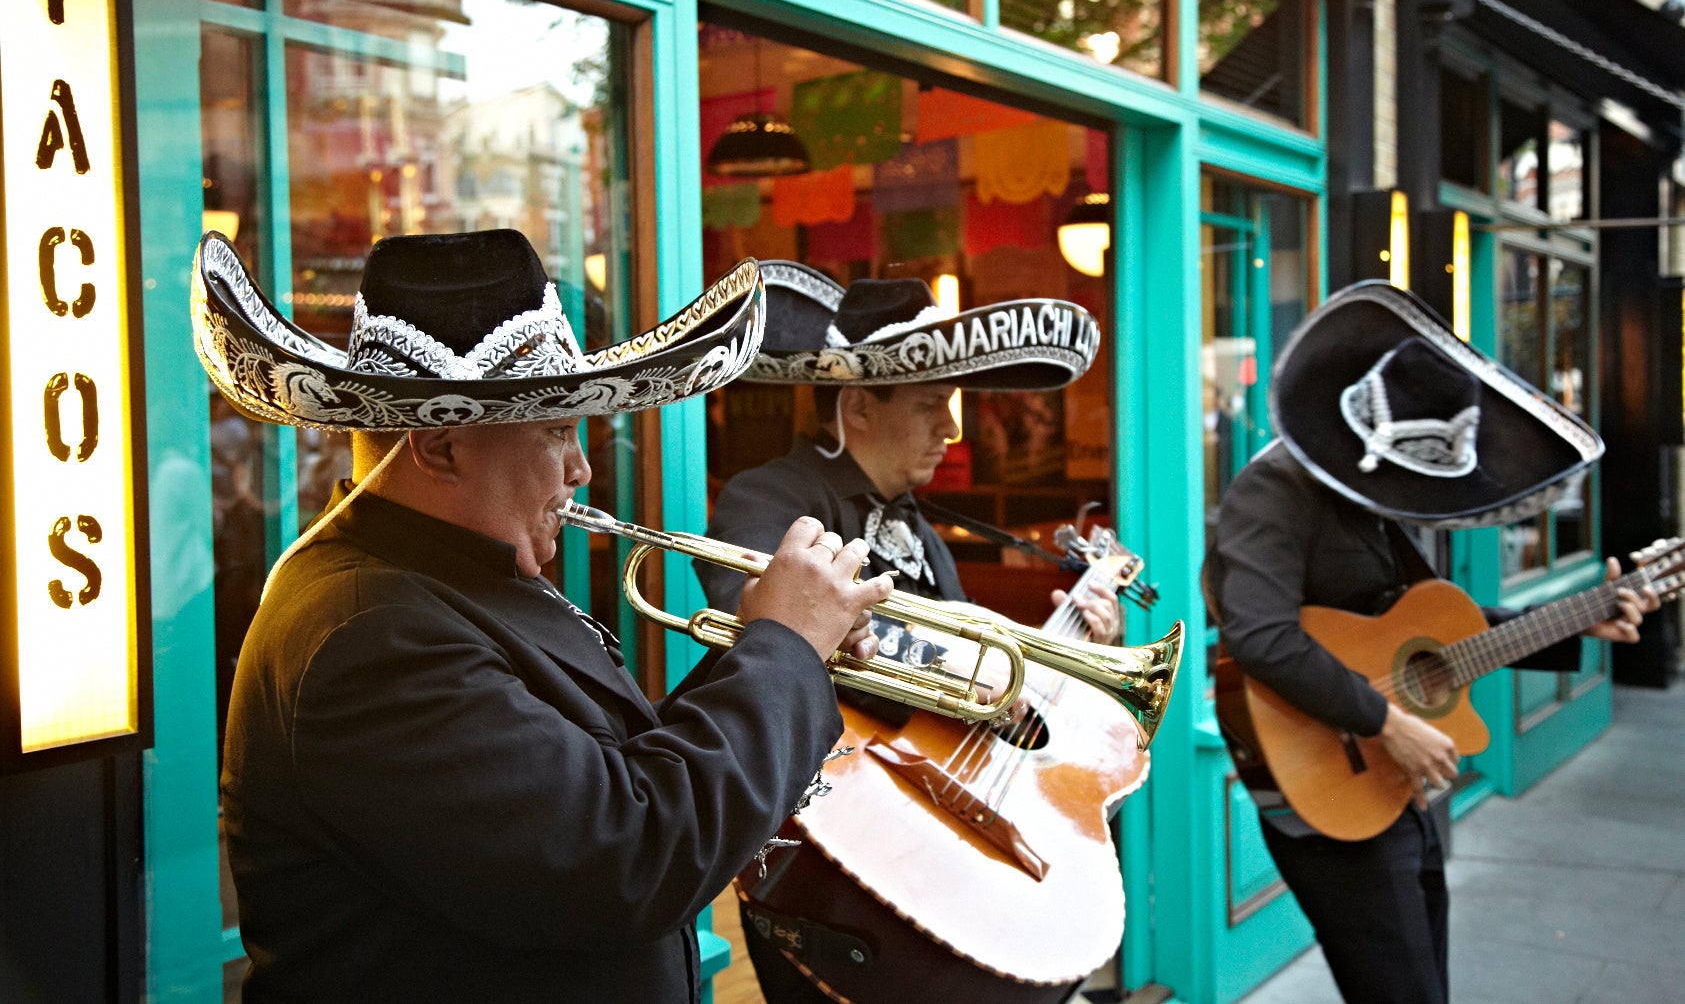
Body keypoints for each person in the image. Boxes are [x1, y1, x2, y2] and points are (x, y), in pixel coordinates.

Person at [193, 228, 895, 1003]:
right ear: (440, 445)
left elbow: (608, 774)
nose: (581, 467)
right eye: (557, 430)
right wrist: (783, 649)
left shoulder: (439, 576)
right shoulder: (369, 633)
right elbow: (627, 855)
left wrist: (781, 652)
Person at [1205, 281, 1658, 1004]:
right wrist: (1389, 722)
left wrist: (1581, 617)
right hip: (1326, 779)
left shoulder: (1376, 495)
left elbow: (1437, 629)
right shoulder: (1276, 490)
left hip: (1391, 779)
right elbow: (1260, 635)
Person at [695, 262, 1125, 1001]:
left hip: (918, 826)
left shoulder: (919, 531)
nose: (951, 427)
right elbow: (767, 614)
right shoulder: (773, 493)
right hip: (828, 845)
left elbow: (975, 684)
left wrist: (1073, 649)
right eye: (932, 403)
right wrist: (967, 669)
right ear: (857, 405)